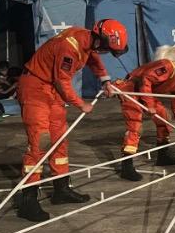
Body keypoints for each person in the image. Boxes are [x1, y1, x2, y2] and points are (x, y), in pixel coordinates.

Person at [15, 20, 128, 222]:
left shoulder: (87, 40)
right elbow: (62, 80)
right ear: (99, 39)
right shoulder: (69, 46)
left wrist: (106, 81)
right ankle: (28, 199)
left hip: (51, 90)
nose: (104, 52)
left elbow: (92, 58)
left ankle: (61, 189)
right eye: (105, 48)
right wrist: (80, 104)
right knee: (40, 142)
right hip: (35, 87)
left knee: (59, 140)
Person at [115, 45, 175, 182]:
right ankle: (127, 165)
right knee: (135, 126)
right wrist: (149, 104)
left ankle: (163, 155)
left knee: (164, 118)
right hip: (131, 90)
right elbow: (145, 79)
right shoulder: (169, 67)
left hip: (147, 94)